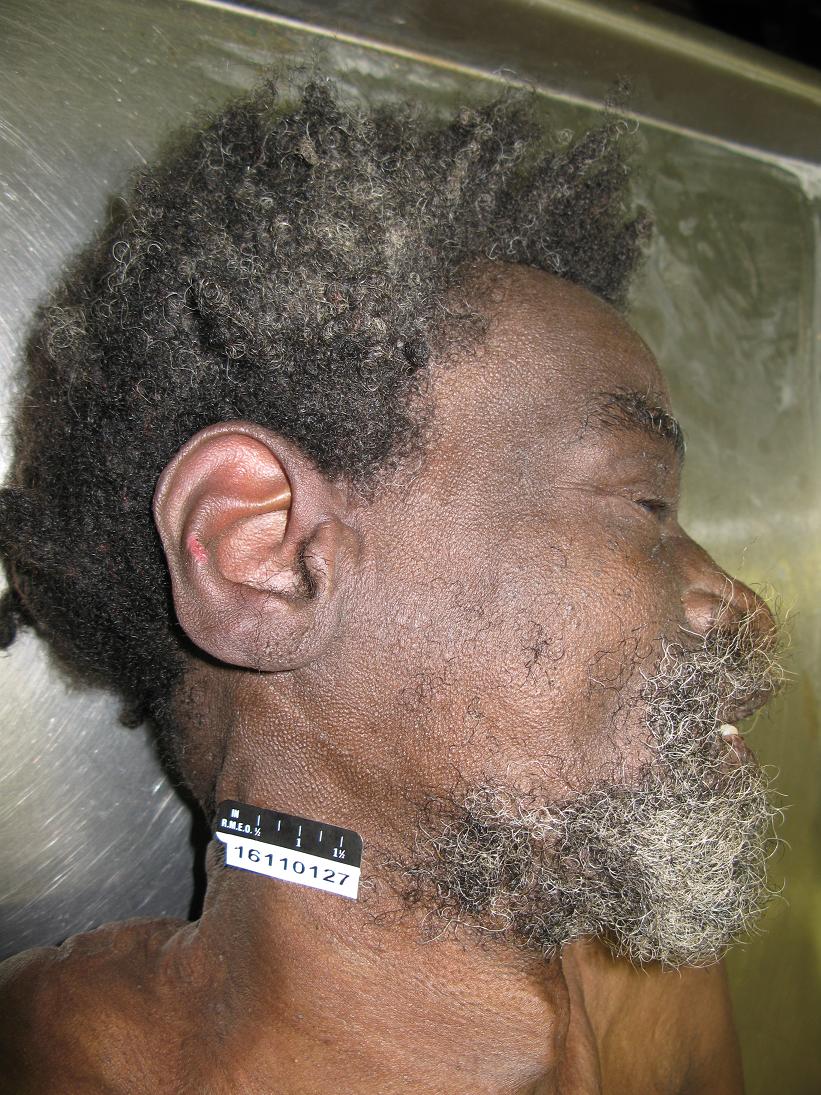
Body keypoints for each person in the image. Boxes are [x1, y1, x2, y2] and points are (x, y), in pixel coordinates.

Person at [0, 76, 784, 1093]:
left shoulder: (644, 978)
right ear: (264, 556)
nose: (741, 606)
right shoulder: (50, 1058)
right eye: (644, 503)